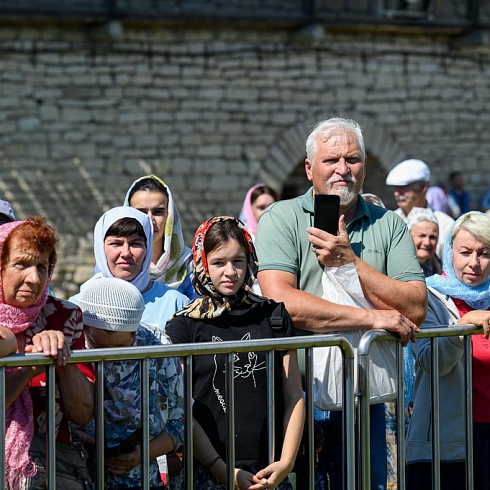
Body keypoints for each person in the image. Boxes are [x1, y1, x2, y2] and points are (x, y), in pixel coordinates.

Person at [254, 117, 427, 490]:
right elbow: (280, 303)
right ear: (309, 168)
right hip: (296, 395)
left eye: (353, 159)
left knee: (367, 484)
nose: (343, 170)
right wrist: (371, 317)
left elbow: (414, 308)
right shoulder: (280, 219)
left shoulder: (388, 224)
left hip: (365, 394)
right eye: (331, 160)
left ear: (365, 167)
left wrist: (350, 262)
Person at [166, 216, 305, 490]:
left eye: (238, 261)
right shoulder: (184, 324)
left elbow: (294, 396)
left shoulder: (273, 315)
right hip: (207, 470)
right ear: (202, 262)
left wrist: (286, 462)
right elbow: (182, 407)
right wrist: (222, 471)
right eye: (218, 262)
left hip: (269, 469)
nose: (230, 271)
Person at [1, 217, 94, 489]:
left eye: (42, 267)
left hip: (50, 466)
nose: (35, 278)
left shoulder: (63, 317)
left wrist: (59, 354)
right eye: (21, 263)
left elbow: (82, 414)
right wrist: (29, 365)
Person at [406, 211, 490, 490]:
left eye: (484, 253)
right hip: (447, 438)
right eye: (465, 252)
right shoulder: (429, 296)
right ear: (451, 252)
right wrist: (463, 327)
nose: (474, 263)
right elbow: (433, 361)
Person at [75, 276, 184, 489]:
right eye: (99, 348)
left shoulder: (157, 346)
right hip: (77, 476)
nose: (110, 358)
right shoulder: (69, 343)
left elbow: (180, 420)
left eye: (122, 349)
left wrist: (143, 453)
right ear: (85, 327)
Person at [71, 206, 189, 332]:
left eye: (135, 244)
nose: (126, 253)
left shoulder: (175, 303)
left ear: (148, 248)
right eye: (116, 243)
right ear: (101, 248)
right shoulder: (77, 306)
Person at [124, 175, 198, 299]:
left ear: (169, 216)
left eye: (158, 212)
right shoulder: (116, 263)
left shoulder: (188, 264)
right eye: (140, 212)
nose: (150, 220)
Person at [385, 158, 454, 259]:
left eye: (404, 187)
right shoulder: (388, 222)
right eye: (396, 187)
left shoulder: (445, 225)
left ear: (423, 187)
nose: (397, 193)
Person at [407, 207, 442, 277]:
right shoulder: (396, 268)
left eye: (432, 237)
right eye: (421, 236)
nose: (427, 243)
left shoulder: (441, 268)